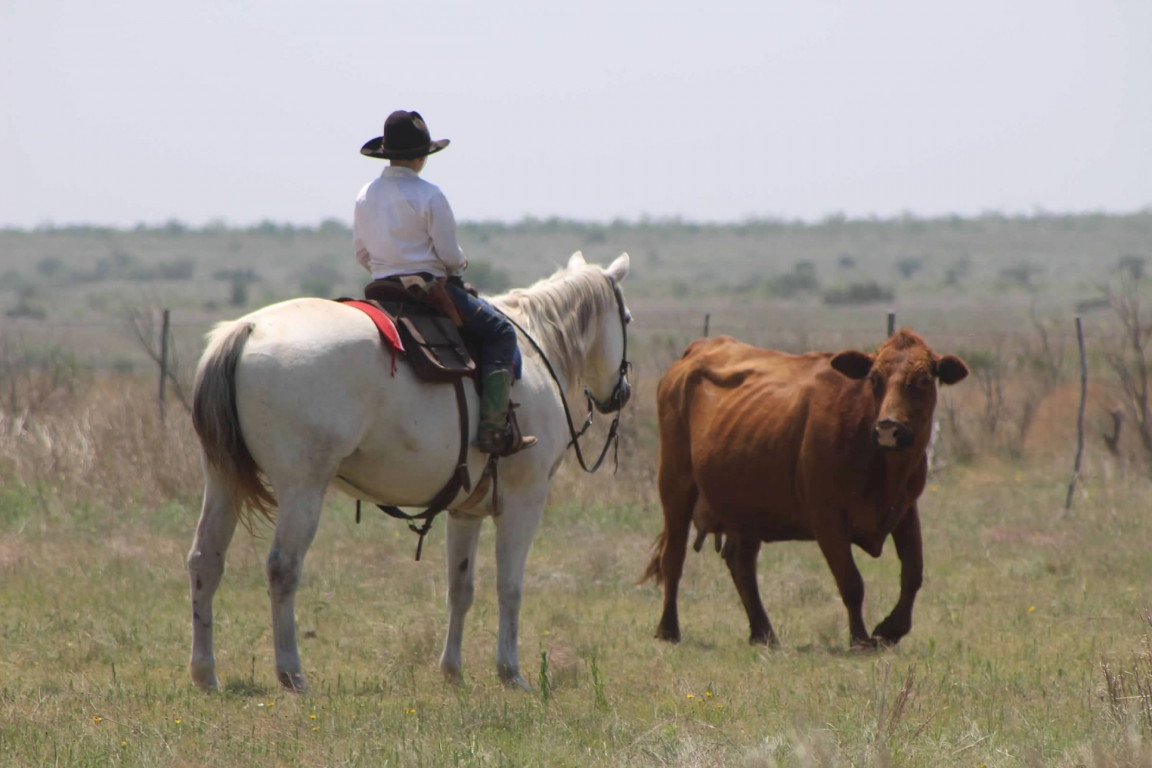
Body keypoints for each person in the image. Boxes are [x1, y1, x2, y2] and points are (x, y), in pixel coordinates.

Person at [354, 110, 536, 455]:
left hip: (380, 291)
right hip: (428, 292)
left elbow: (361, 253)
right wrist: (459, 263)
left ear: (387, 153)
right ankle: (494, 428)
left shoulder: (365, 195)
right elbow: (450, 257)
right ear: (421, 157)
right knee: (501, 333)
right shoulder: (430, 195)